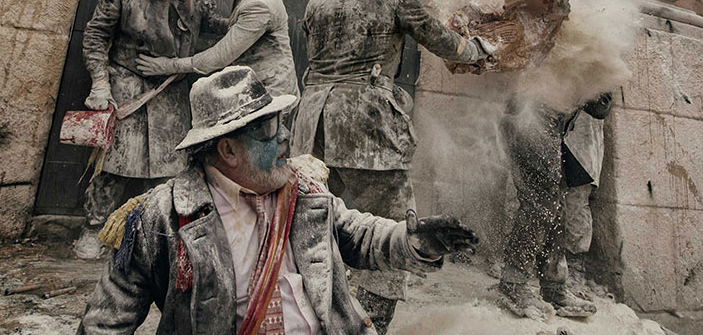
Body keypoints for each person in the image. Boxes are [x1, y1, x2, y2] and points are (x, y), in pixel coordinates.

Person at [77, 66, 479, 335]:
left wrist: (414, 241)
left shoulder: (305, 190)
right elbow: (105, 323)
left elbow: (361, 235)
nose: (286, 138)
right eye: (270, 130)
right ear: (228, 150)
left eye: (282, 123)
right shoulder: (162, 218)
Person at [291, 0, 497, 333]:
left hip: (311, 124)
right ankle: (373, 322)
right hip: (366, 127)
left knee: (315, 220)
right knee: (389, 223)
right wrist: (479, 49)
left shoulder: (317, 1)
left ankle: (311, 313)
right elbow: (442, 40)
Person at [77, 0, 203, 259]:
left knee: (171, 170)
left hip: (171, 89)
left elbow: (218, 30)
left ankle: (158, 238)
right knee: (113, 164)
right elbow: (96, 35)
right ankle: (94, 226)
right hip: (127, 84)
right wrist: (100, 83)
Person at [135, 0, 299, 106]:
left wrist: (167, 66)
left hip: (273, 92)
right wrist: (206, 21)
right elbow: (236, 28)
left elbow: (219, 57)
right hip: (255, 88)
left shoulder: (259, 3)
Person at [497, 94, 600, 321]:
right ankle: (513, 282)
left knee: (556, 204)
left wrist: (601, 90)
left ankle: (554, 287)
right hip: (531, 117)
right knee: (541, 200)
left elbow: (600, 109)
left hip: (552, 125)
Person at [562, 92, 612, 292]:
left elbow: (601, 107)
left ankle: (574, 270)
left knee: (576, 202)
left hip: (582, 137)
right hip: (557, 131)